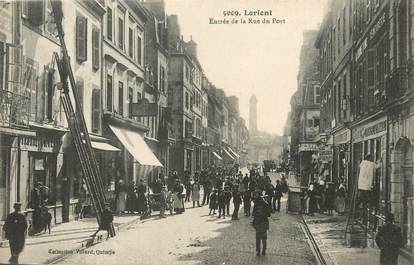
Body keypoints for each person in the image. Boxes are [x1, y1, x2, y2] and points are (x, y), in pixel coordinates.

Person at [358, 154, 381, 224]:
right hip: (367, 187)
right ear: (370, 158)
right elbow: (378, 166)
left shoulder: (362, 163)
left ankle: (363, 218)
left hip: (360, 187)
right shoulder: (371, 164)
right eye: (371, 158)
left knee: (363, 202)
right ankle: (370, 216)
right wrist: (379, 161)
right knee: (370, 202)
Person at [252, 191, 272, 257]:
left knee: (258, 237)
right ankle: (263, 250)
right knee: (264, 238)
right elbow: (269, 214)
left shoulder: (256, 203)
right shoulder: (265, 203)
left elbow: (253, 214)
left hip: (259, 222)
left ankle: (258, 251)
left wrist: (254, 221)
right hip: (264, 222)